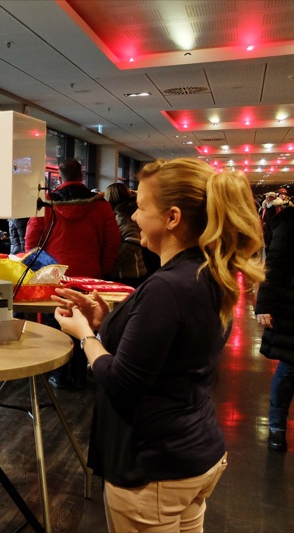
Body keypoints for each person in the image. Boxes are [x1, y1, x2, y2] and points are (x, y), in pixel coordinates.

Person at [52, 158, 264, 532]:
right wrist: (106, 323)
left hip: (155, 469)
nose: (133, 217)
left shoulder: (167, 288)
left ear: (172, 218)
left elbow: (121, 383)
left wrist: (84, 334)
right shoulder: (206, 272)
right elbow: (172, 349)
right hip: (195, 455)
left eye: (141, 207)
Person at [26, 158, 121, 389]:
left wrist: (40, 273)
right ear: (82, 174)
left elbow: (31, 242)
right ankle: (79, 372)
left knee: (55, 324)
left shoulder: (46, 205)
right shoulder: (100, 205)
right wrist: (104, 269)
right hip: (90, 277)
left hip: (54, 277)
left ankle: (59, 373)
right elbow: (113, 241)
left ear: (60, 175)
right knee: (84, 324)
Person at [256, 205, 294, 451]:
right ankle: (276, 426)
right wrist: (264, 305)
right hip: (290, 303)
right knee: (290, 367)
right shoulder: (290, 223)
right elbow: (275, 265)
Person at [103, 183, 147, 288]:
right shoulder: (126, 214)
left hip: (129, 274)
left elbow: (133, 241)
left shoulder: (124, 218)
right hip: (130, 272)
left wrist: (113, 259)